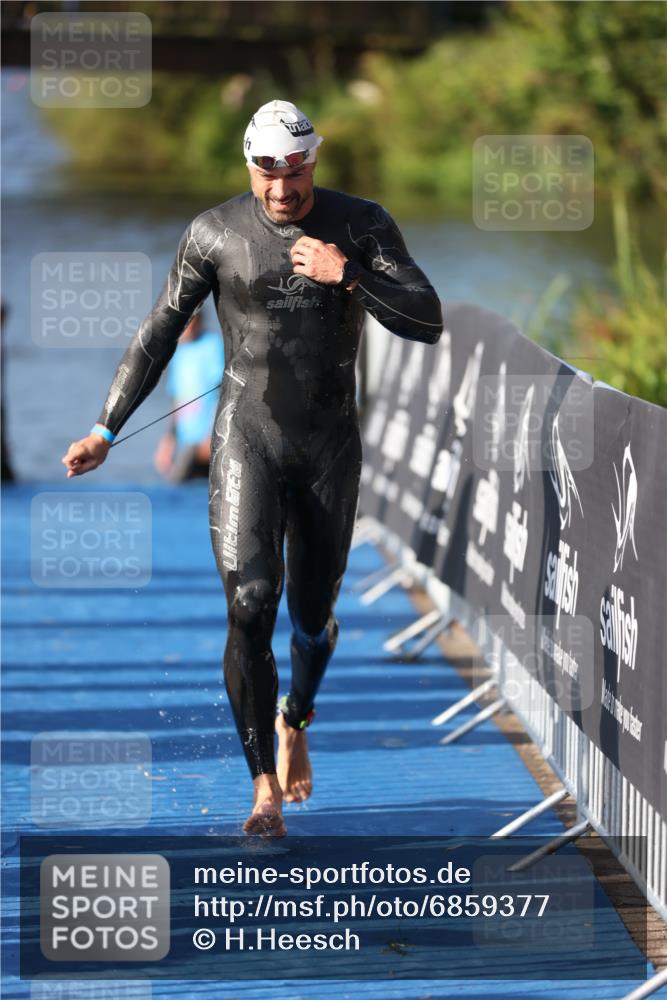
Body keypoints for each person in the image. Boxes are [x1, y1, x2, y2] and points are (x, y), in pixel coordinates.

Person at [61, 99, 443, 837]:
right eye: (266, 175)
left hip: (329, 444)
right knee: (249, 602)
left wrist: (350, 277)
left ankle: (294, 716)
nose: (280, 191)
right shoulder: (214, 232)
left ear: (312, 163)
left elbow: (427, 319)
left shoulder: (360, 224)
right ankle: (263, 787)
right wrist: (106, 426)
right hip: (247, 438)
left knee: (310, 616)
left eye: (293, 174)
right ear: (249, 167)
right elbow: (158, 333)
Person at [153, 311, 224, 482]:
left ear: (198, 321)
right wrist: (168, 442)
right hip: (186, 439)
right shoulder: (178, 352)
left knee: (179, 483)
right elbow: (177, 401)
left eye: (188, 324)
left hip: (207, 440)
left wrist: (213, 436)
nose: (184, 330)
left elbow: (223, 392)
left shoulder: (213, 345)